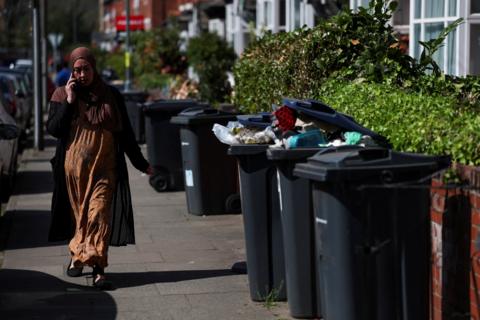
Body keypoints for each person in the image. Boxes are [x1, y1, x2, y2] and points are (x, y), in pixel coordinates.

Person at [46, 47, 153, 289]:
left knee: (99, 215)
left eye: (86, 69)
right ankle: (77, 255)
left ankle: (99, 271)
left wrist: (142, 164)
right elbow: (53, 129)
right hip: (73, 173)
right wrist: (70, 102)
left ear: (94, 68)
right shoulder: (62, 95)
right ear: (71, 72)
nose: (82, 74)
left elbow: (125, 134)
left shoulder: (111, 95)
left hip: (105, 169)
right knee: (80, 219)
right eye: (77, 70)